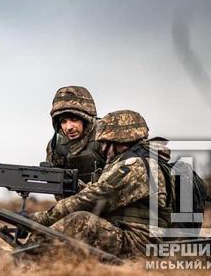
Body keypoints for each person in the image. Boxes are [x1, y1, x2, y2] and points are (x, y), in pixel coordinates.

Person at [32, 110, 174, 256]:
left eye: (105, 142)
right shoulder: (135, 162)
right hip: (127, 235)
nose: (103, 148)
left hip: (139, 244)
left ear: (120, 141)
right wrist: (75, 185)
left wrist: (41, 218)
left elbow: (97, 197)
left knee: (81, 221)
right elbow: (105, 191)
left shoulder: (136, 166)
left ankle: (25, 259)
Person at [46, 86, 106, 183]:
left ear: (86, 120)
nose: (69, 127)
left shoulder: (105, 136)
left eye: (74, 120)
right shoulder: (56, 145)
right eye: (63, 122)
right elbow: (55, 183)